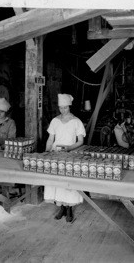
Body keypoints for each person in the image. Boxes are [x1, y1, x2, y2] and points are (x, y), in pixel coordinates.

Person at [44, 93, 86, 223]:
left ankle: (69, 209)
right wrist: (46, 152)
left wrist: (69, 148)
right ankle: (61, 207)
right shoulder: (55, 121)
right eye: (61, 108)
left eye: (65, 108)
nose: (63, 110)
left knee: (68, 182)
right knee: (57, 182)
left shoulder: (76, 121)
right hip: (56, 154)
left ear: (69, 107)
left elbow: (80, 141)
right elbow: (50, 139)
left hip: (70, 153)